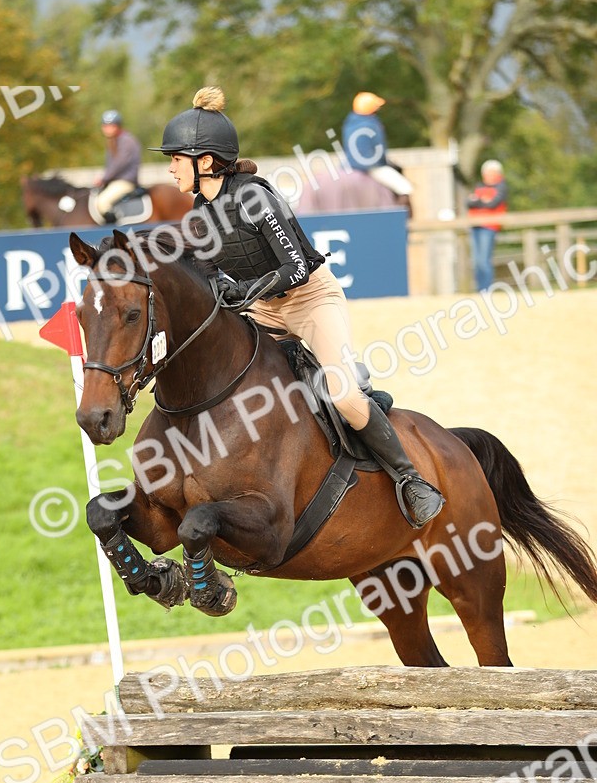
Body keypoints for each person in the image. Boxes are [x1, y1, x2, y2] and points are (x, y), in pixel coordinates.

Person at [150, 87, 444, 528]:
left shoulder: (255, 198)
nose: (170, 167)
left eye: (176, 158)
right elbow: (208, 269)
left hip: (310, 298)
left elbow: (298, 266)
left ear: (205, 161)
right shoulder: (200, 211)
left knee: (342, 394)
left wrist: (244, 291)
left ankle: (409, 479)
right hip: (265, 308)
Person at [341, 93, 413, 199]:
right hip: (368, 166)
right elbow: (373, 151)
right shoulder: (369, 124)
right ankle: (401, 215)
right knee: (405, 187)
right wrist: (382, 163)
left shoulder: (350, 123)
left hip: (348, 165)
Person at [94, 110, 142, 223]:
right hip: (115, 181)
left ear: (118, 126)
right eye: (105, 125)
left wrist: (103, 178)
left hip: (125, 181)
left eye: (111, 125)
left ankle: (114, 226)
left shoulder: (127, 141)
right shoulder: (113, 141)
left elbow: (118, 164)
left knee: (102, 202)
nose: (107, 128)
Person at [467, 160, 508, 292]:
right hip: (475, 225)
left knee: (484, 260)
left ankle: (486, 289)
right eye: (485, 173)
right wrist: (482, 200)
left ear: (497, 173)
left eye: (490, 173)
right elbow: (468, 202)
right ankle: (479, 289)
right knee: (476, 261)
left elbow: (492, 204)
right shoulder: (479, 186)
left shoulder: (501, 187)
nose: (487, 176)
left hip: (489, 226)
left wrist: (478, 200)